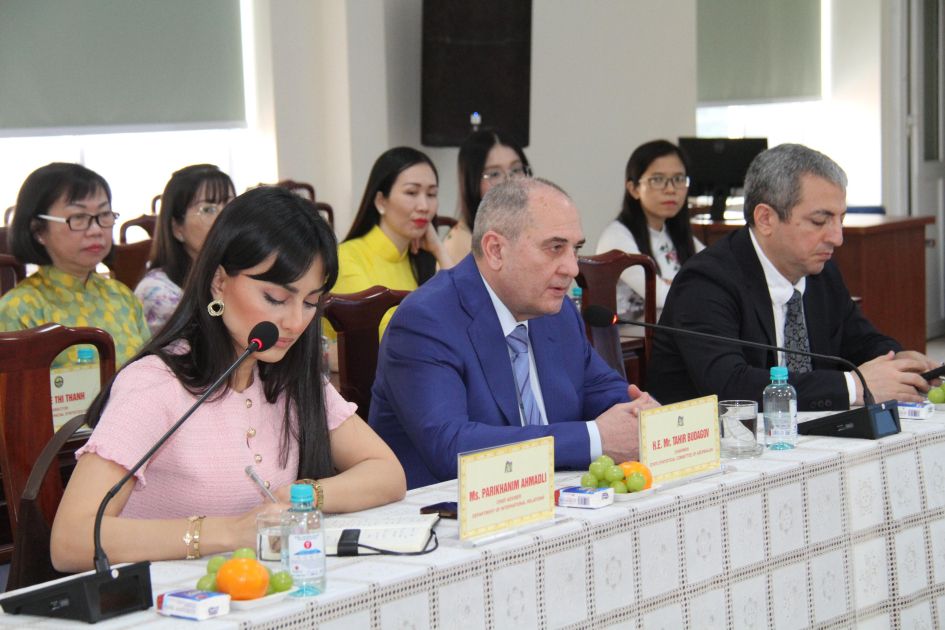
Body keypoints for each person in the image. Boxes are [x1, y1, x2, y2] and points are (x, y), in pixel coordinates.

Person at [51, 187, 406, 572]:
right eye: (275, 298)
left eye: (309, 302)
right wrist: (230, 532)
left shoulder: (286, 375)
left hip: (254, 588)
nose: (294, 322)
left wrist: (303, 495)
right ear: (219, 282)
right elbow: (71, 540)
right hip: (165, 594)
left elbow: (387, 473)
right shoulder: (155, 383)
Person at [369, 178, 660, 489]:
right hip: (450, 508)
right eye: (555, 248)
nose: (573, 268)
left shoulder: (556, 313)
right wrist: (593, 439)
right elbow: (450, 446)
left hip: (550, 497)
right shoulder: (426, 320)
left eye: (575, 249)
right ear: (496, 250)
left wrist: (643, 417)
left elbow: (603, 390)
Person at [647, 143, 937, 410]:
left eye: (841, 219)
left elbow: (861, 341)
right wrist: (852, 387)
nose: (837, 238)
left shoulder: (821, 272)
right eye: (820, 221)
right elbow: (730, 386)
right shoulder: (706, 282)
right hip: (710, 442)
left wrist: (900, 361)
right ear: (766, 219)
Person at [0, 163, 150, 365]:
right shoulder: (19, 308)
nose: (96, 230)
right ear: (38, 230)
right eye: (78, 217)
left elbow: (149, 370)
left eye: (104, 215)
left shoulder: (122, 296)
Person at [331, 147, 453, 337]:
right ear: (381, 201)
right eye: (411, 192)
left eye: (431, 194)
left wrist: (439, 250)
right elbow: (389, 337)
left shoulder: (417, 260)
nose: (424, 206)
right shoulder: (347, 258)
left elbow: (465, 316)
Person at [596, 140, 704, 320]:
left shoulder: (674, 232)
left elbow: (719, 275)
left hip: (674, 328)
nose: (671, 189)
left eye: (678, 179)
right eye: (658, 180)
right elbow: (660, 298)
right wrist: (686, 286)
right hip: (630, 335)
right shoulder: (617, 238)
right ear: (634, 189)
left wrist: (674, 285)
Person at [135, 164, 235, 334]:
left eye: (230, 205)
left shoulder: (236, 273)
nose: (224, 217)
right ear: (177, 228)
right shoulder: (158, 292)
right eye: (208, 209)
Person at [443, 128, 531, 263]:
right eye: (494, 174)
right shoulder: (459, 244)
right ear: (472, 182)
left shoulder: (532, 229)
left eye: (516, 169)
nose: (509, 180)